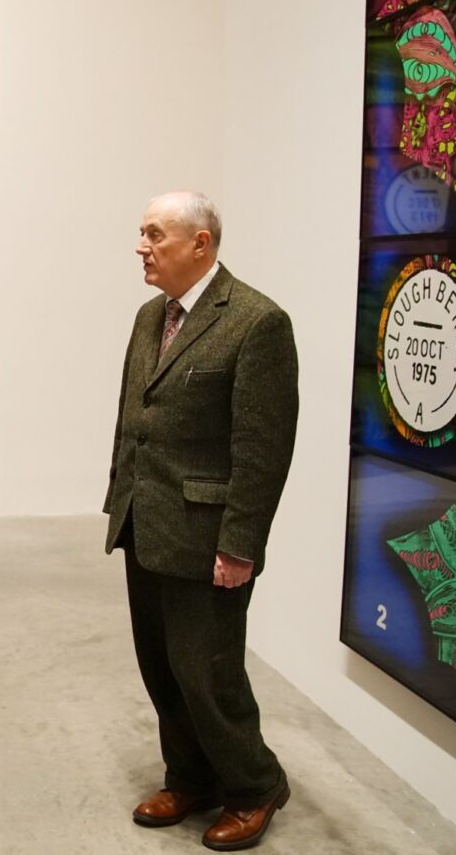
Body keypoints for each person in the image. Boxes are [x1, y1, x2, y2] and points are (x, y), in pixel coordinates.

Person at [104, 191, 298, 850]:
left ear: (200, 244)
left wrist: (241, 543)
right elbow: (135, 418)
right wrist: (119, 500)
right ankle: (189, 775)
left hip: (207, 535)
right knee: (160, 665)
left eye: (154, 233)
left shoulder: (256, 322)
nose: (142, 246)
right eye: (141, 233)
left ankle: (253, 784)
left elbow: (263, 448)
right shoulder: (147, 317)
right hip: (144, 522)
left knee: (208, 670)